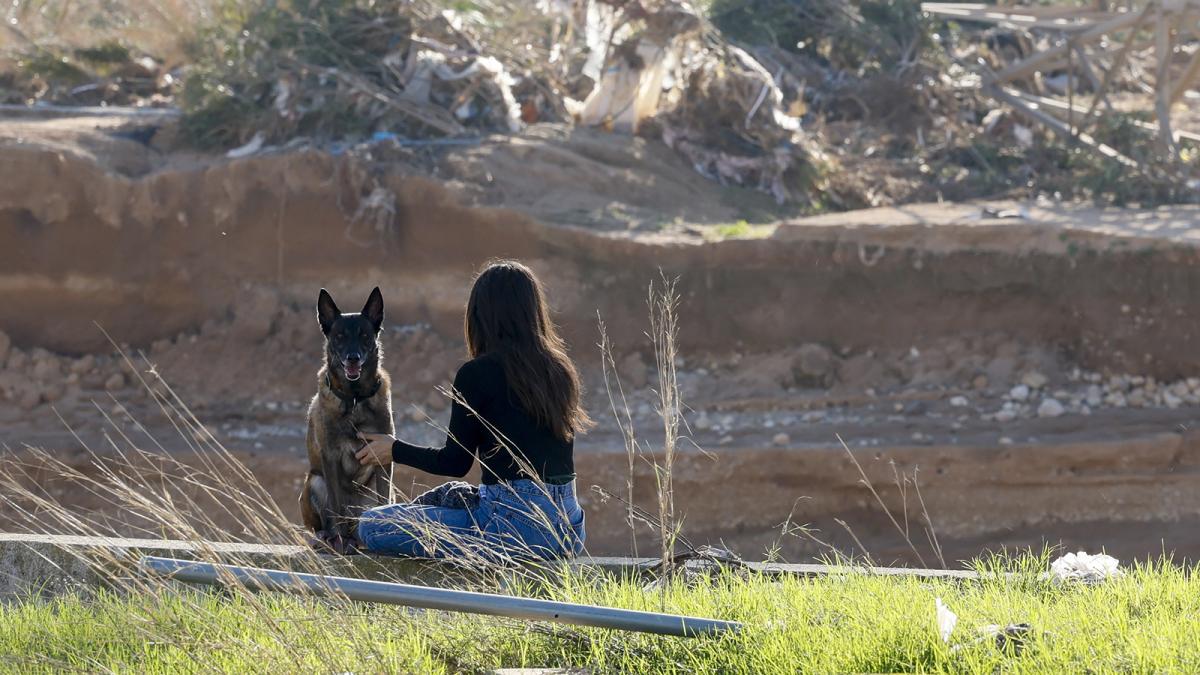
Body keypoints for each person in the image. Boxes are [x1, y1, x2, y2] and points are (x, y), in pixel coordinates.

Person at [355, 260, 590, 561]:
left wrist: (394, 450)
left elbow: (455, 462)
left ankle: (345, 534)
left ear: (479, 315)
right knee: (451, 494)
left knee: (372, 525)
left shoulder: (476, 374)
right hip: (569, 529)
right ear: (533, 311)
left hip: (513, 529)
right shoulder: (560, 370)